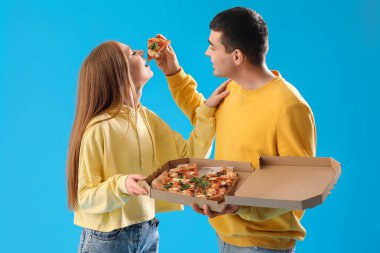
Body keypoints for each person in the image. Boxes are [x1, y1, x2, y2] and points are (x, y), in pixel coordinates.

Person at [155, 7, 316, 253]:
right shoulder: (234, 88)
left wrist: (241, 206)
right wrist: (174, 74)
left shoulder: (289, 106)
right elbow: (205, 115)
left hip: (262, 245)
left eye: (213, 46)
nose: (206, 52)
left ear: (237, 56)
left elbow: (297, 187)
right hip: (225, 235)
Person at [66, 40, 229, 253]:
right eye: (132, 53)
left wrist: (207, 111)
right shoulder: (99, 128)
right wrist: (121, 184)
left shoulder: (146, 118)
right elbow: (85, 196)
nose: (142, 52)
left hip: (148, 229)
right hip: (107, 239)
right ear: (120, 73)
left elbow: (189, 158)